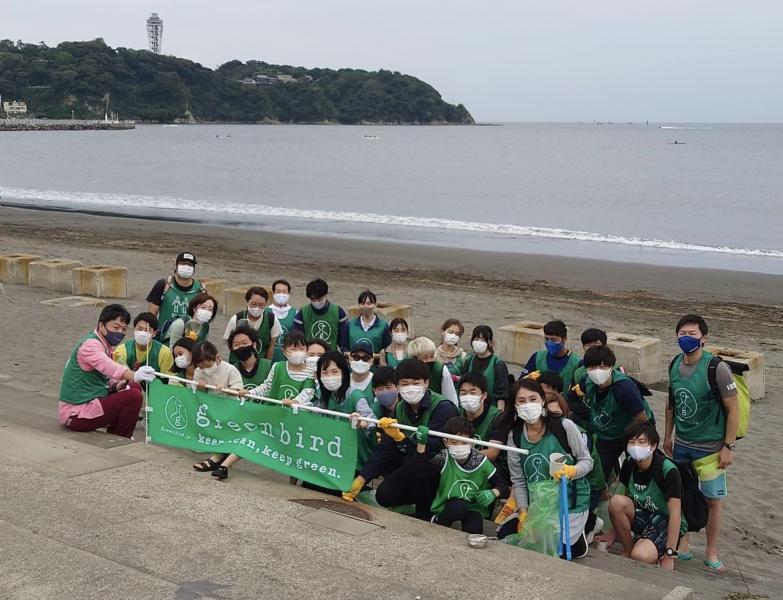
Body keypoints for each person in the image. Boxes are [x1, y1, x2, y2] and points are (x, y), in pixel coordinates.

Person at [664, 314, 738, 573]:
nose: (686, 338)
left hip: (710, 448)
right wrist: (667, 435)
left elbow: (733, 409)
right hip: (682, 444)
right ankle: (684, 543)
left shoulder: (717, 368)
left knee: (712, 501)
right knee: (681, 496)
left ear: (703, 337)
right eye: (682, 334)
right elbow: (672, 403)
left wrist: (728, 447)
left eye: (692, 334)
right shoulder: (675, 363)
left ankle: (711, 551)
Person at [343, 359, 458, 514]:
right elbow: (383, 447)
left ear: (426, 383)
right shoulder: (400, 408)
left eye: (416, 383)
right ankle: (413, 503)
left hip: (440, 468)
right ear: (398, 386)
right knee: (384, 495)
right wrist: (362, 479)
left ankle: (426, 513)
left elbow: (432, 449)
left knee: (417, 464)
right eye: (405, 383)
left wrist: (401, 439)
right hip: (411, 463)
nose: (411, 388)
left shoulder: (443, 407)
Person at [497, 379, 593, 558]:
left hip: (569, 501)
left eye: (533, 399)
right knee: (509, 537)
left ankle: (582, 533)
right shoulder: (515, 436)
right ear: (515, 406)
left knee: (556, 551)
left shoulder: (564, 426)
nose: (528, 405)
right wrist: (523, 511)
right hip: (539, 504)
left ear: (542, 400)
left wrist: (572, 471)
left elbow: (587, 461)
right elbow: (518, 480)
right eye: (521, 401)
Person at [58, 304, 156, 439]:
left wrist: (117, 386)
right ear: (101, 325)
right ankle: (121, 437)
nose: (120, 332)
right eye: (116, 327)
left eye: (124, 329)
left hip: (92, 399)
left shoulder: (104, 344)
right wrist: (134, 375)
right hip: (76, 413)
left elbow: (103, 377)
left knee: (133, 387)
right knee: (134, 396)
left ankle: (116, 432)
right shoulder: (91, 345)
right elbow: (108, 366)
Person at [605, 422, 686, 571]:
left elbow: (675, 514)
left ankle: (656, 549)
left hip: (663, 520)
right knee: (616, 502)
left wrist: (670, 554)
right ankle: (628, 550)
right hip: (642, 513)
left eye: (642, 442)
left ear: (653, 445)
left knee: (641, 555)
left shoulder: (668, 470)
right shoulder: (629, 463)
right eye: (631, 442)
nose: (636, 446)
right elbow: (621, 497)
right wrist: (613, 532)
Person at [543, 378, 607, 544]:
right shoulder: (538, 432)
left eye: (557, 414)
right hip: (555, 486)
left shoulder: (574, 431)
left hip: (586, 485)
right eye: (548, 414)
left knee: (562, 539)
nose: (553, 419)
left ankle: (591, 522)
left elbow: (586, 463)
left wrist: (572, 471)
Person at [577, 346, 653, 481]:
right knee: (597, 472)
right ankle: (603, 490)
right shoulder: (586, 381)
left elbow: (642, 420)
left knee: (637, 470)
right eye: (592, 367)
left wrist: (636, 444)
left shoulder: (624, 389)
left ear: (611, 367)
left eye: (602, 367)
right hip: (607, 433)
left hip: (634, 431)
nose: (597, 371)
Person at [422, 417, 509, 533]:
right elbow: (421, 472)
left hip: (474, 507)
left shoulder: (481, 461)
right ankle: (438, 521)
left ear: (472, 442)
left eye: (464, 442)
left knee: (474, 527)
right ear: (446, 442)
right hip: (448, 504)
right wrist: (421, 445)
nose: (459, 446)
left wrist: (493, 492)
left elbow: (503, 486)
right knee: (458, 508)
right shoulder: (443, 458)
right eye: (454, 442)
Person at [190, 341, 244, 479]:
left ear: (217, 357)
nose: (204, 369)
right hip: (211, 409)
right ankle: (217, 457)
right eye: (200, 366)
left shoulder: (230, 369)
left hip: (231, 409)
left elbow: (239, 390)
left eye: (206, 365)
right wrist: (201, 387)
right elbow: (198, 395)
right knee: (215, 432)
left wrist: (226, 389)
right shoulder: (198, 372)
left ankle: (220, 460)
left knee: (233, 436)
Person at [317, 351, 376, 472]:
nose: (329, 376)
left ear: (343, 373)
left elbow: (372, 421)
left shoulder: (356, 396)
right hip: (330, 456)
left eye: (334, 372)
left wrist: (361, 423)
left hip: (354, 460)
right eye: (324, 372)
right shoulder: (323, 397)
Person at [242, 330, 315, 408]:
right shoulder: (277, 367)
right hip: (273, 411)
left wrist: (295, 402)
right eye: (294, 349)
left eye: (302, 349)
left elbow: (308, 392)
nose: (298, 352)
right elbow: (267, 387)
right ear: (284, 351)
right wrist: (250, 393)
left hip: (296, 413)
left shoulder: (310, 371)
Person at [146, 252, 206, 342]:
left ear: (194, 269)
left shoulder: (200, 290)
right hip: (164, 337)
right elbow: (151, 315)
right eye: (183, 263)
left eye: (190, 264)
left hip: (189, 339)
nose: (186, 267)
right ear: (176, 265)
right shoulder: (164, 285)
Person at [520, 320, 581, 394]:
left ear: (564, 339)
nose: (549, 343)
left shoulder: (577, 363)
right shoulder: (537, 357)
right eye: (546, 339)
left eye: (553, 340)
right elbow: (519, 383)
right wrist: (527, 378)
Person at [222, 287, 280, 360]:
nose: (257, 308)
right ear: (247, 302)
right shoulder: (236, 319)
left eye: (261, 305)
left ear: (266, 304)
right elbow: (229, 342)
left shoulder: (272, 319)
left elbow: (272, 345)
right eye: (253, 304)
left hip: (260, 361)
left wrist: (267, 364)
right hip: (238, 362)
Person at [461, 325, 510, 410]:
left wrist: (500, 413)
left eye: (483, 340)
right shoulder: (469, 360)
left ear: (490, 342)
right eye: (476, 339)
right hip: (470, 407)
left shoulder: (497, 364)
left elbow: (501, 392)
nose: (479, 342)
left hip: (491, 408)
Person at [457, 372, 504, 458]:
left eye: (472, 392)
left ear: (484, 395)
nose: (467, 397)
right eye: (463, 393)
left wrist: (463, 455)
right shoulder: (457, 413)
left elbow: (492, 453)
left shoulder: (497, 417)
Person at [566, 328, 608, 425]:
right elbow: (571, 400)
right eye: (588, 345)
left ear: (605, 346)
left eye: (596, 344)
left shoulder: (615, 370)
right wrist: (590, 415)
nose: (592, 348)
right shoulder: (579, 372)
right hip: (587, 422)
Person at [293, 278, 348, 352]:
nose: (317, 302)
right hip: (309, 355)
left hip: (330, 354)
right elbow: (297, 338)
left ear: (325, 295)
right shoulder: (302, 313)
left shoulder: (338, 312)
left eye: (319, 299)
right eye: (313, 299)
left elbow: (343, 341)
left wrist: (345, 351)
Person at [406, 337, 459, 406]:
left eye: (432, 356)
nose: (429, 360)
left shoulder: (440, 370)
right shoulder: (406, 370)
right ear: (414, 358)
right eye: (425, 358)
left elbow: (450, 396)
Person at [347, 290, 391, 356]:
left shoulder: (384, 326)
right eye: (362, 303)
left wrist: (375, 356)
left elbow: (387, 350)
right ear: (359, 305)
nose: (365, 306)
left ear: (375, 305)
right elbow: (345, 347)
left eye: (369, 303)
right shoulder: (350, 325)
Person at [269, 279, 297, 363]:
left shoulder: (295, 313)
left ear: (288, 294)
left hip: (288, 359)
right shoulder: (265, 312)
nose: (281, 294)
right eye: (278, 291)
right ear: (273, 293)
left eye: (284, 292)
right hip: (269, 358)